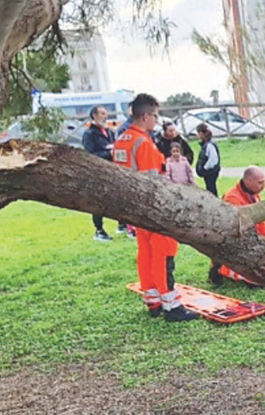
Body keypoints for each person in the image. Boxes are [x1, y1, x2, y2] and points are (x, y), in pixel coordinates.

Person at [112, 93, 198, 321]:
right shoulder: (144, 144)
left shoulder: (122, 140)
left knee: (146, 254)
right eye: (155, 116)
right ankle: (172, 306)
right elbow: (154, 183)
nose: (156, 121)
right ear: (146, 115)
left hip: (132, 210)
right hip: (152, 210)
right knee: (164, 254)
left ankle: (153, 302)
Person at [211, 166, 265, 286]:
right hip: (234, 245)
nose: (264, 186)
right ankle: (221, 270)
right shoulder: (232, 198)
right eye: (260, 182)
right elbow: (235, 232)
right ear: (248, 182)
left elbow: (261, 225)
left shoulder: (253, 195)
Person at [83, 105, 122, 240]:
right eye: (102, 114)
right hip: (98, 173)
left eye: (106, 113)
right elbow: (90, 155)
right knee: (99, 202)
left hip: (112, 170)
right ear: (94, 116)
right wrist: (108, 153)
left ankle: (122, 225)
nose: (105, 116)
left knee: (119, 198)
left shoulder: (109, 132)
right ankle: (99, 230)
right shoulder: (89, 134)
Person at [163, 142, 196, 290]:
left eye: (178, 151)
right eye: (173, 151)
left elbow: (189, 173)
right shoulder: (168, 163)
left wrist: (192, 183)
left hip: (185, 186)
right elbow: (167, 175)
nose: (176, 153)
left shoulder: (184, 161)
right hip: (175, 187)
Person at [194, 123, 222, 196]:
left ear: (200, 133)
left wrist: (205, 168)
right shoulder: (207, 144)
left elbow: (213, 159)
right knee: (210, 187)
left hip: (210, 171)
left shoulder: (209, 145)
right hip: (209, 171)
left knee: (211, 188)